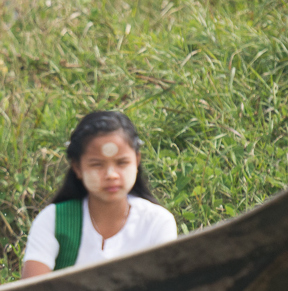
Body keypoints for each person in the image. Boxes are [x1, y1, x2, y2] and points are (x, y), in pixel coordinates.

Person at [21, 110, 177, 279]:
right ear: (77, 167)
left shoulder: (156, 222)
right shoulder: (55, 220)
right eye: (97, 165)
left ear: (137, 161)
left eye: (122, 163)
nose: (111, 174)